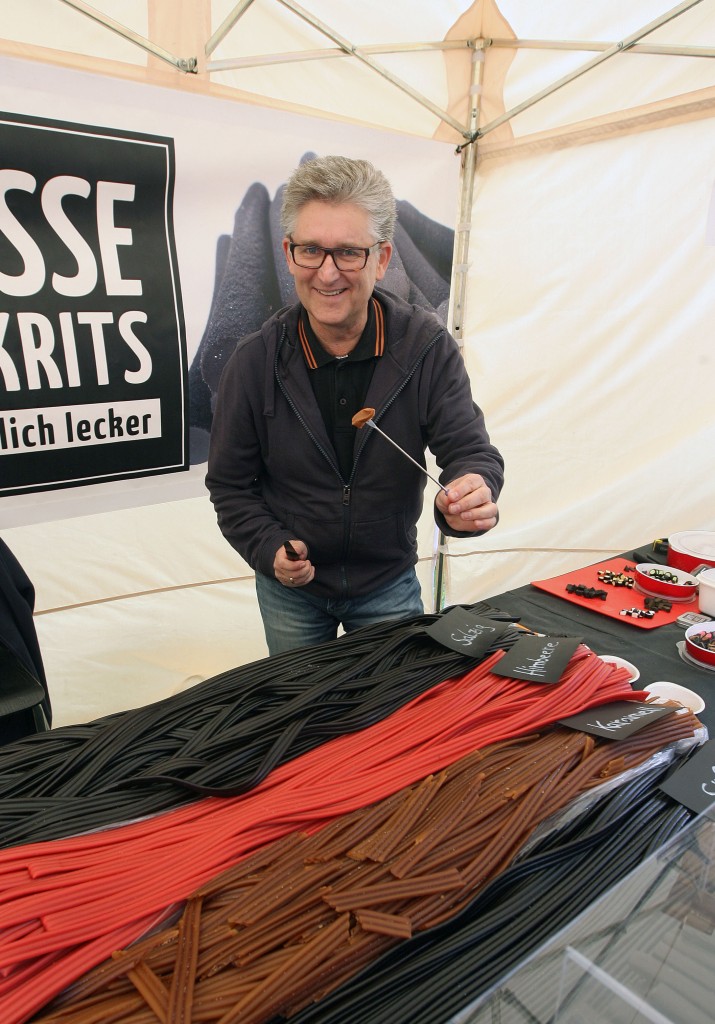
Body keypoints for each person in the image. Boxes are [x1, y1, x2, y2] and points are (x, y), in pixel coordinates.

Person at [206, 155, 504, 656]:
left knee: (397, 700)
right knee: (300, 702)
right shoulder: (254, 361)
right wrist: (268, 547)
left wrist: (472, 490)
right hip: (292, 594)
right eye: (310, 251)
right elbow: (230, 486)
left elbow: (471, 452)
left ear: (382, 259)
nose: (327, 274)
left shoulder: (426, 346)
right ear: (288, 254)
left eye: (348, 252)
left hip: (388, 584)